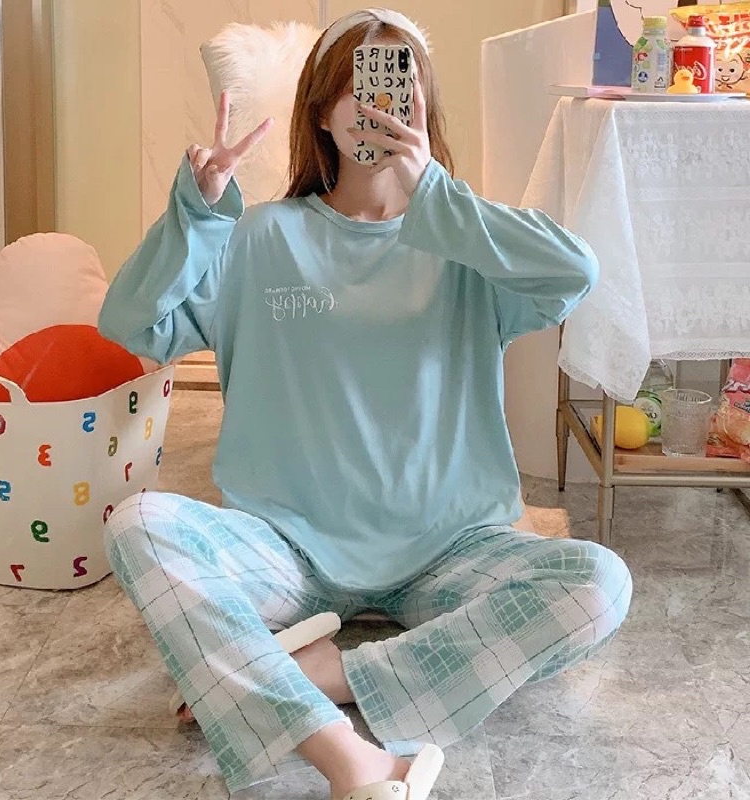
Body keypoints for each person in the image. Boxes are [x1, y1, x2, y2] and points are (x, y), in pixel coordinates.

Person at [98, 8, 632, 800]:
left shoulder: (465, 243)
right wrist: (196, 214)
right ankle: (341, 752)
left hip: (451, 549)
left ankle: (317, 672)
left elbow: (575, 272)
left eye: (395, 88)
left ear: (424, 107)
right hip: (286, 548)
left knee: (597, 584)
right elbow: (130, 324)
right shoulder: (259, 238)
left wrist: (435, 194)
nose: (376, 106)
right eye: (356, 88)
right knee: (139, 524)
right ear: (322, 111)